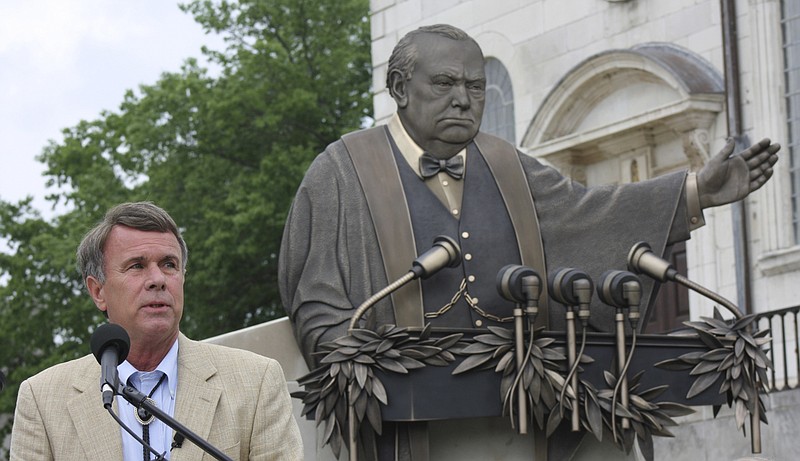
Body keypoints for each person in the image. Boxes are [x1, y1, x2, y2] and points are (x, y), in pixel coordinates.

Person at [279, 25, 779, 460]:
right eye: (445, 83)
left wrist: (696, 191)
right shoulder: (342, 172)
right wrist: (364, 374)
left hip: (522, 426)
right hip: (414, 433)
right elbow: (318, 302)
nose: (464, 99)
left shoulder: (507, 164)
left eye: (476, 86)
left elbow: (591, 215)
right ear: (399, 87)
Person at [11, 202, 303, 460]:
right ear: (98, 291)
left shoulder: (256, 381)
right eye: (137, 266)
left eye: (169, 265)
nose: (158, 280)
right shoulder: (42, 398)